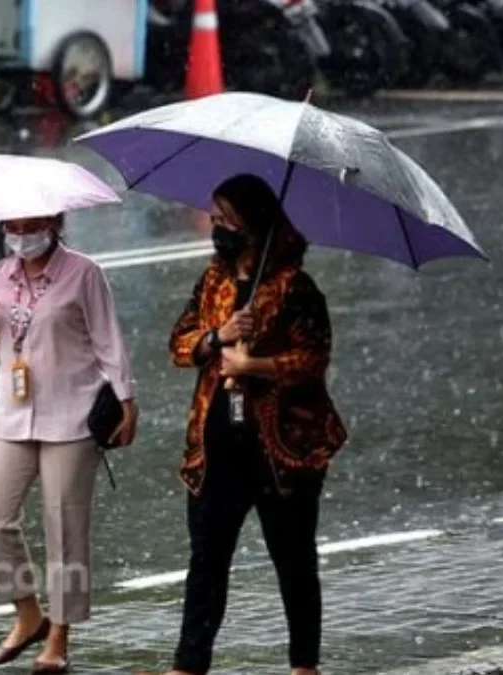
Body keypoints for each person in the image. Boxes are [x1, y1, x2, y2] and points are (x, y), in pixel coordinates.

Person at [161, 174, 348, 675]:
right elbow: (179, 344)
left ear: (255, 224)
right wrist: (216, 337)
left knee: (292, 557)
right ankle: (189, 664)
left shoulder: (294, 287)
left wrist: (256, 367)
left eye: (227, 220)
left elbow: (313, 357)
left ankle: (303, 664)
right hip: (216, 444)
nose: (217, 228)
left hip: (282, 447)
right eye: (214, 218)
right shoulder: (213, 281)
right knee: (207, 560)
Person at [0, 214, 139, 675]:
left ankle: (60, 634)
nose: (21, 234)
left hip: (72, 413)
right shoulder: (1, 274)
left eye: (31, 224)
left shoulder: (84, 273)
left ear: (54, 222)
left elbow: (109, 341)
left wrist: (127, 400)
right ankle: (29, 614)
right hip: (11, 413)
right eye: (13, 225)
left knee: (63, 528)